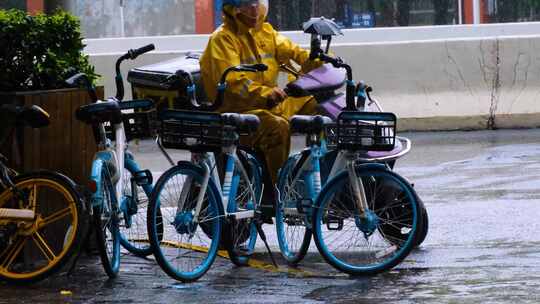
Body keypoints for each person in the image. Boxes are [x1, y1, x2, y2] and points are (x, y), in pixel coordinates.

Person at [200, 0, 322, 188]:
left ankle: (315, 176)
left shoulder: (266, 32)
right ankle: (278, 191)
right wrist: (266, 94)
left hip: (270, 104)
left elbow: (294, 52)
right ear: (234, 9)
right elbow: (233, 82)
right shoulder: (223, 39)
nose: (254, 9)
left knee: (319, 106)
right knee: (277, 128)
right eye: (248, 4)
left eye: (256, 2)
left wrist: (320, 62)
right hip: (238, 112)